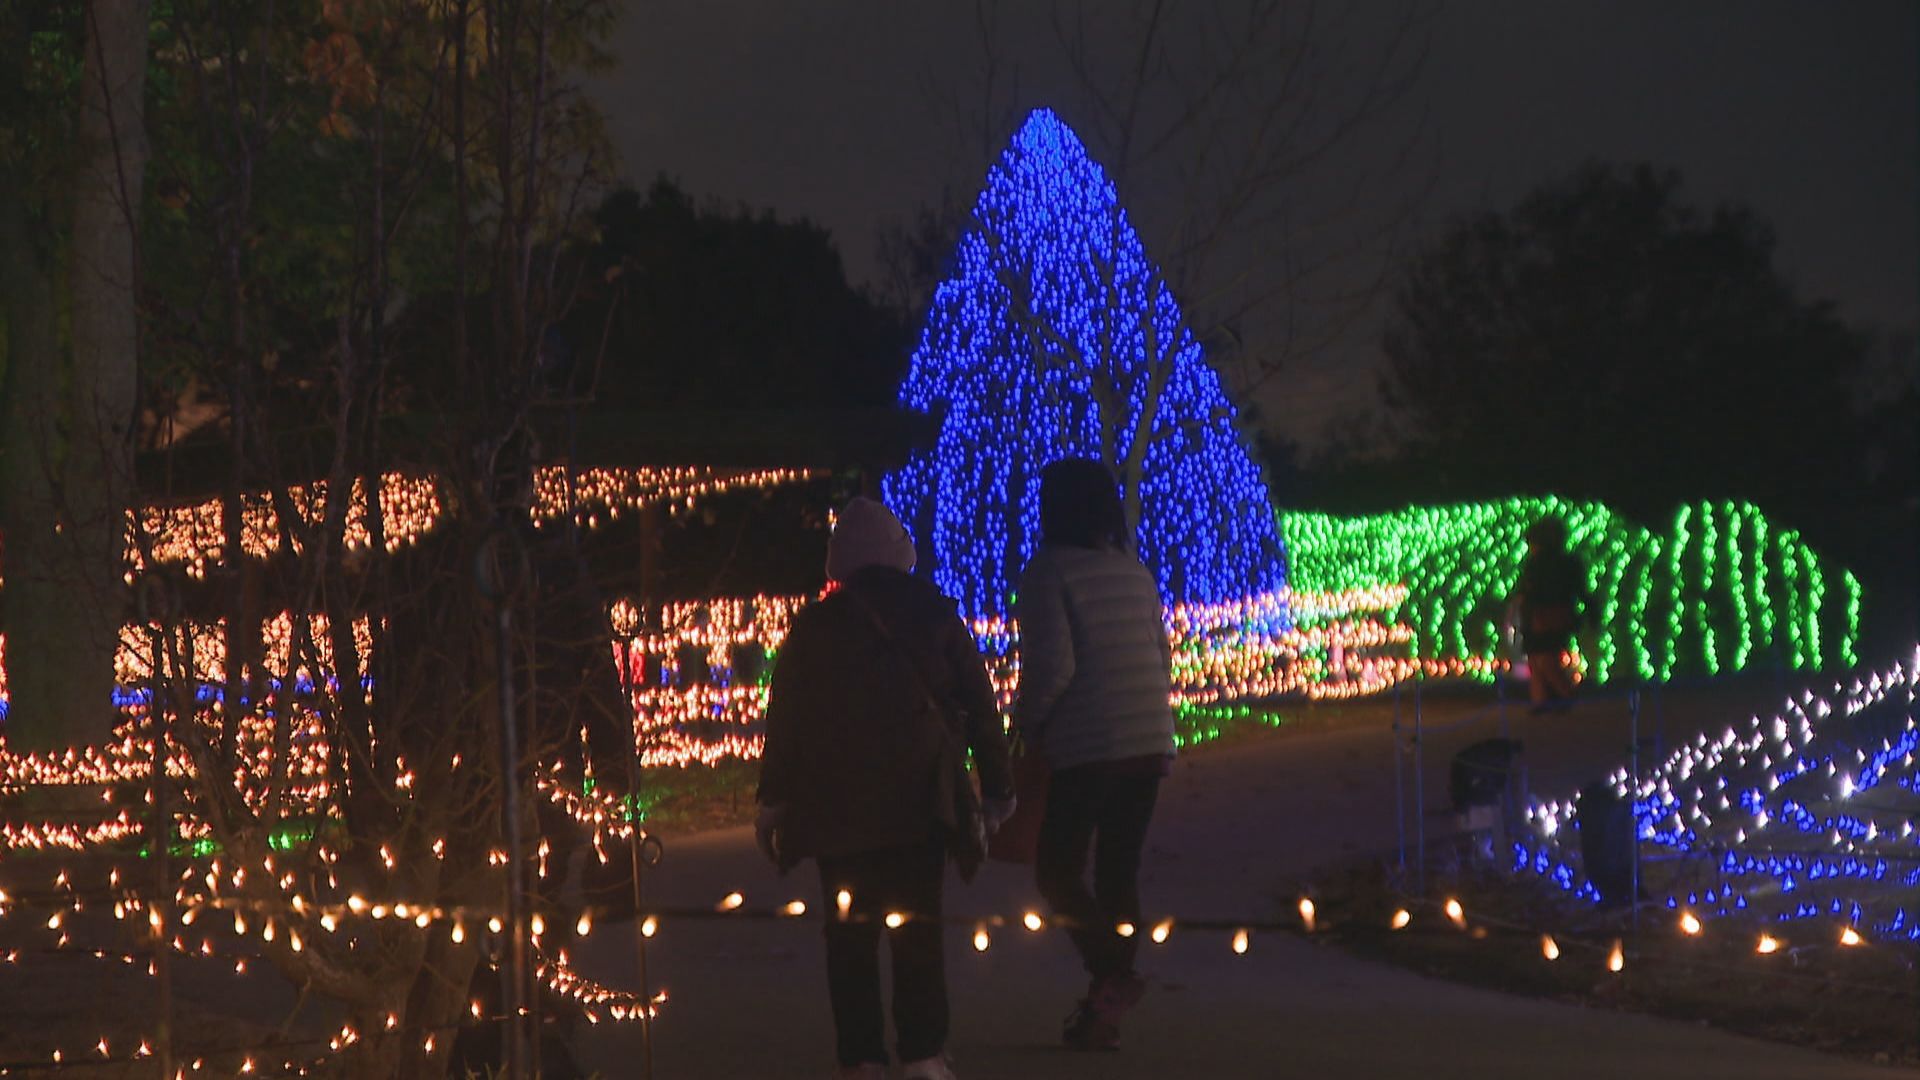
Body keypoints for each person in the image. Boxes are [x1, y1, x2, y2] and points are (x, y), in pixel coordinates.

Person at [755, 497, 1015, 1080]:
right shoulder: (936, 614)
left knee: (848, 934)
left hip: (835, 807)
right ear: (901, 552)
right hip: (919, 802)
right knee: (916, 925)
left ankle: (861, 1056)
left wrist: (774, 801)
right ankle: (922, 1051)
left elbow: (787, 717)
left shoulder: (815, 626)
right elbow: (980, 708)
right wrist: (998, 790)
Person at [1015, 458, 1175, 1052]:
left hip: (1092, 742)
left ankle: (1112, 974)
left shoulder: (1048, 573)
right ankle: (1102, 1016)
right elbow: (1161, 656)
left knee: (1056, 870)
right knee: (1116, 874)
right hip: (1147, 738)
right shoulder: (1134, 572)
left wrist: (1024, 727)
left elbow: (1054, 667)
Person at [1512, 516, 1590, 712]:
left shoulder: (1545, 565)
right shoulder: (1565, 563)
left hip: (1546, 616)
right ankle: (1541, 700)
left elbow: (1532, 590)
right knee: (1538, 660)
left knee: (1545, 659)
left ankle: (1563, 696)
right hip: (1545, 616)